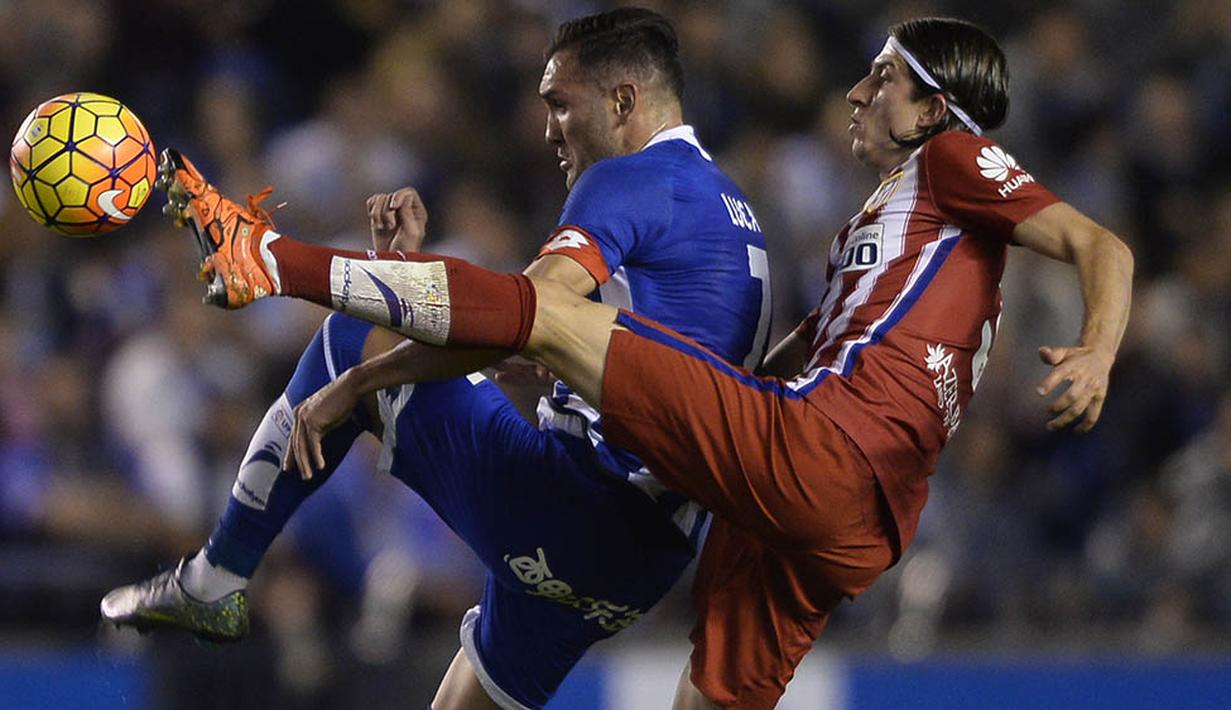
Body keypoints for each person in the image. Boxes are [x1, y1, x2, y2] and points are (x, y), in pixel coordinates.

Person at [159, 16, 1135, 708]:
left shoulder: (951, 161)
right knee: (710, 697)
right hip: (828, 511)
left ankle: (269, 258)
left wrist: (1095, 350)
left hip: (810, 453)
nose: (856, 90)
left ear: (935, 106)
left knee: (545, 315)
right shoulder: (841, 230)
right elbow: (791, 351)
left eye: (882, 77)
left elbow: (1105, 247)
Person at [100, 8, 773, 709]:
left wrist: (365, 378)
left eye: (559, 104)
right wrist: (414, 277)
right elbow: (599, 359)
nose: (548, 129)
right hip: (644, 554)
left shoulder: (630, 179)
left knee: (349, 338)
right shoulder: (728, 210)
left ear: (623, 100)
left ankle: (215, 578)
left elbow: (524, 319)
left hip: (579, 503)